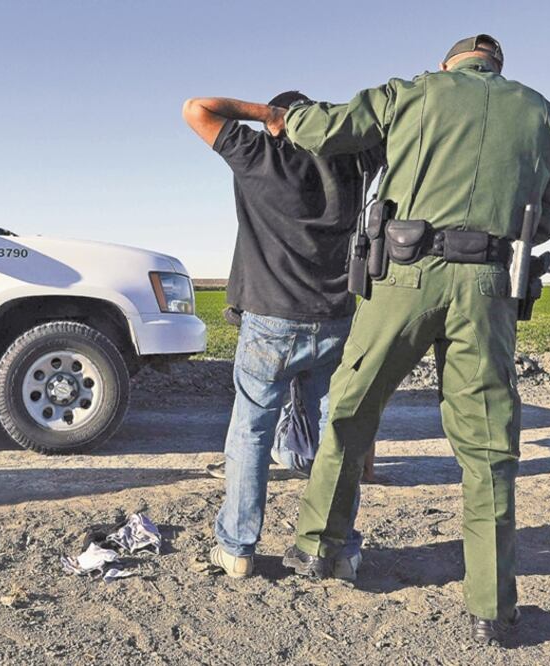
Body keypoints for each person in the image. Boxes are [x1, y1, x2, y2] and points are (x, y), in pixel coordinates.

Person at [276, 35, 550, 647]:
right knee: (489, 445)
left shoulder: (412, 92)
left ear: (449, 65)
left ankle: (319, 548)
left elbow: (318, 130)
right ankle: (492, 607)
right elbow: (545, 218)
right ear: (497, 68)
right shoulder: (545, 115)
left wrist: (285, 117)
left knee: (353, 408)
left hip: (406, 276)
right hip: (491, 286)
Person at [181, 92, 381, 580]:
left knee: (251, 431)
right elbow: (387, 132)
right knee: (334, 437)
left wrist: (268, 117)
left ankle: (237, 548)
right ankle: (338, 550)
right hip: (335, 318)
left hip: (270, 320)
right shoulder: (354, 163)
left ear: (278, 125)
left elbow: (196, 108)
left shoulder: (258, 156)